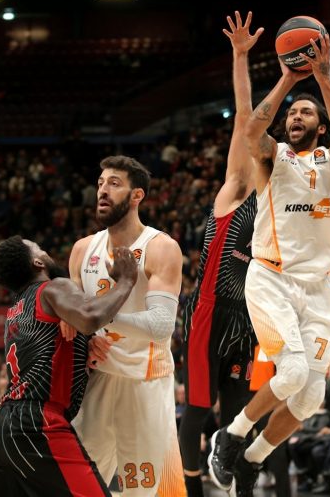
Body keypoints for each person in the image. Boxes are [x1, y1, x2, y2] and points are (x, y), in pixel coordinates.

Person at [180, 12, 330, 497]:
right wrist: (286, 77)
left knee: (311, 395)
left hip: (315, 287)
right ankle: (232, 436)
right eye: (293, 114)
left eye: (306, 114)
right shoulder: (270, 159)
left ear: (320, 128)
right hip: (268, 280)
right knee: (290, 373)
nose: (296, 117)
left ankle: (252, 459)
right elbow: (249, 127)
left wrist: (324, 79)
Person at [0, 236, 139, 496]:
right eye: (40, 248)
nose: (45, 250)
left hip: (0, 427)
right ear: (37, 262)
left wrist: (86, 347)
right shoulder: (52, 288)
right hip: (36, 424)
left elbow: (51, 351)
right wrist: (126, 280)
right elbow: (90, 316)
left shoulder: (16, 308)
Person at [66, 156, 186, 496]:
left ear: (137, 196)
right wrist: (86, 338)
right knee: (77, 486)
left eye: (114, 184)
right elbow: (72, 321)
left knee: (147, 492)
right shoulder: (82, 250)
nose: (103, 191)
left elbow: (161, 326)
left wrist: (96, 317)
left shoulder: (161, 248)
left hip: (144, 380)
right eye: (101, 183)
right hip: (97, 379)